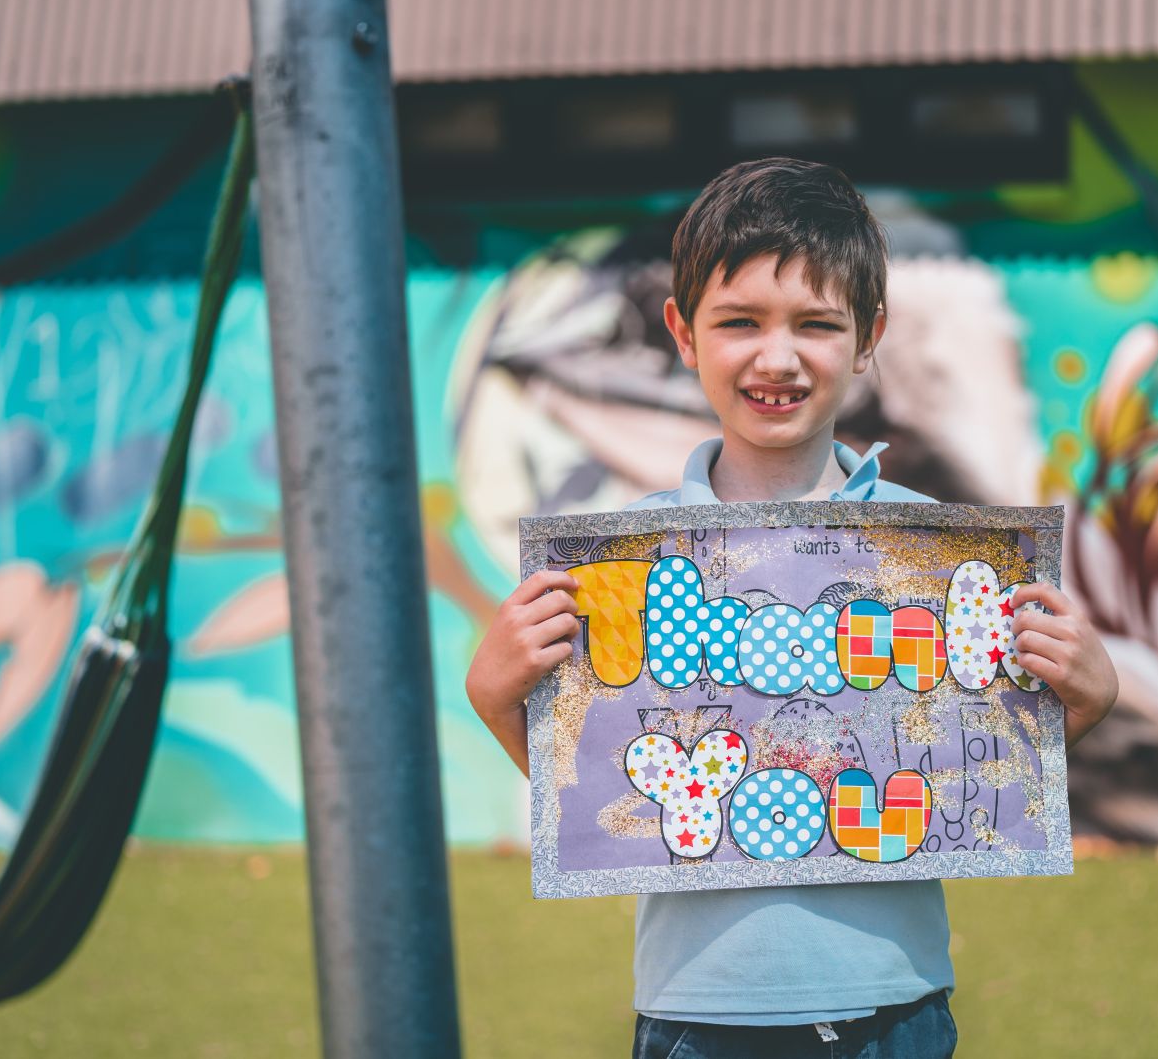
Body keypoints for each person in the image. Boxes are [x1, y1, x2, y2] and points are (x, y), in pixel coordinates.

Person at [466, 157, 1119, 1058]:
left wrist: (1079, 700)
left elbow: (970, 780)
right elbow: (609, 792)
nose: (777, 357)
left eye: (816, 324)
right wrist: (498, 698)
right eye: (739, 322)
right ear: (683, 334)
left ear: (867, 337)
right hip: (698, 1015)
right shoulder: (619, 566)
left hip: (896, 1009)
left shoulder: (943, 556)